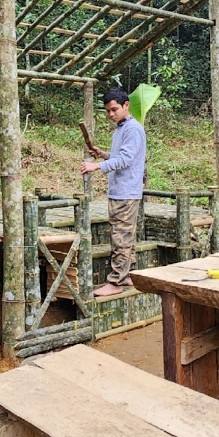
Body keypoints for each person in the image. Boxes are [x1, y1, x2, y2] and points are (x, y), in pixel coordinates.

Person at [80, 88, 147, 297]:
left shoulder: (133, 129)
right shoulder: (121, 129)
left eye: (114, 109)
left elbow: (126, 160)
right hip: (120, 190)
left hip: (126, 192)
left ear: (126, 105)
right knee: (124, 235)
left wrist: (96, 166)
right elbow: (119, 156)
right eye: (108, 111)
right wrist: (102, 154)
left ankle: (116, 281)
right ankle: (129, 273)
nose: (111, 114)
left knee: (121, 237)